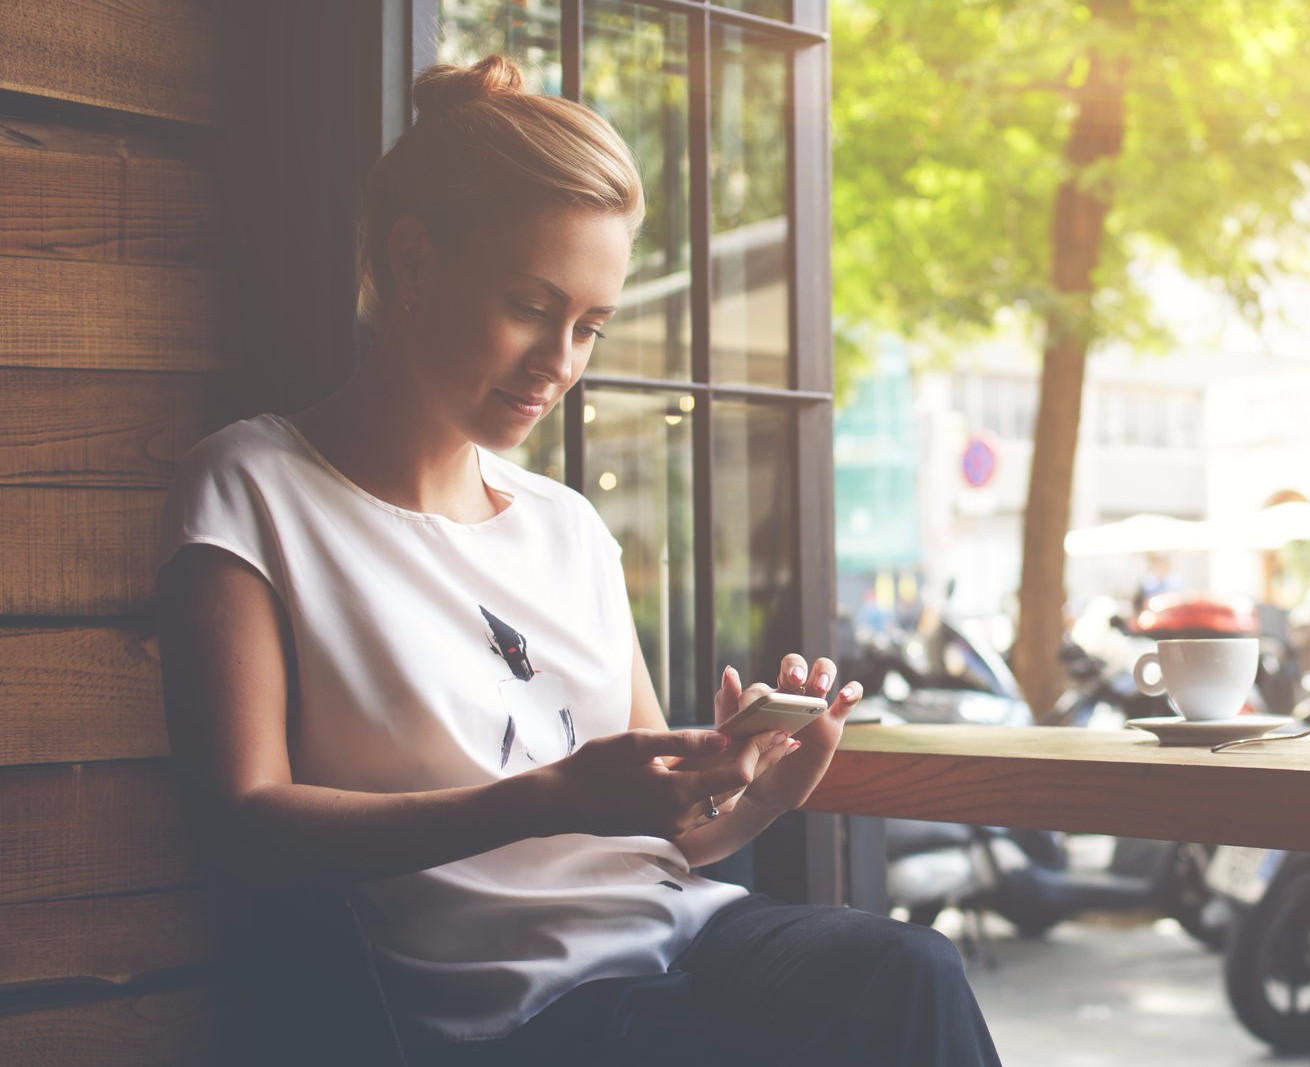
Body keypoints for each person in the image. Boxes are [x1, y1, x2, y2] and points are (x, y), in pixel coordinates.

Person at [154, 56, 1000, 1067]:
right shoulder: (257, 487)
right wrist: (550, 796)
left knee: (911, 967)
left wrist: (757, 786)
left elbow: (666, 840)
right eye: (529, 305)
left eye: (589, 325)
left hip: (680, 937)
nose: (560, 362)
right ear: (414, 262)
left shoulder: (567, 528)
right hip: (508, 1009)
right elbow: (244, 824)